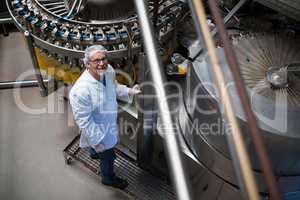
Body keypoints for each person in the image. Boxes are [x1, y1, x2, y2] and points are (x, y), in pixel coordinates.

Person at [69, 45, 141, 190]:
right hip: (97, 130)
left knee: (99, 150)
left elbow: (114, 87)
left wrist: (129, 91)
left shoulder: (108, 71)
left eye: (103, 59)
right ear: (87, 64)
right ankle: (108, 178)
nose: (101, 63)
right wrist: (97, 141)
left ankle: (94, 153)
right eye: (96, 60)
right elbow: (84, 120)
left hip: (108, 122)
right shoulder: (81, 90)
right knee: (108, 157)